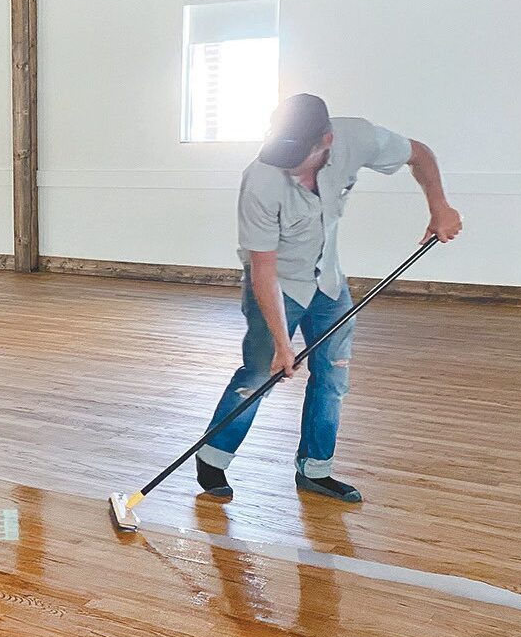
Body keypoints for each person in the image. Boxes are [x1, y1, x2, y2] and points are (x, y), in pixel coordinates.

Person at [195, 94, 462, 503]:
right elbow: (264, 268)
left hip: (329, 282)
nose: (291, 169)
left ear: (327, 140)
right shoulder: (261, 178)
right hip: (278, 283)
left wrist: (439, 206)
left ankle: (315, 471)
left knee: (333, 377)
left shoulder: (357, 137)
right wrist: (283, 346)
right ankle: (213, 457)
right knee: (258, 374)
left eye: (300, 159)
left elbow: (419, 154)